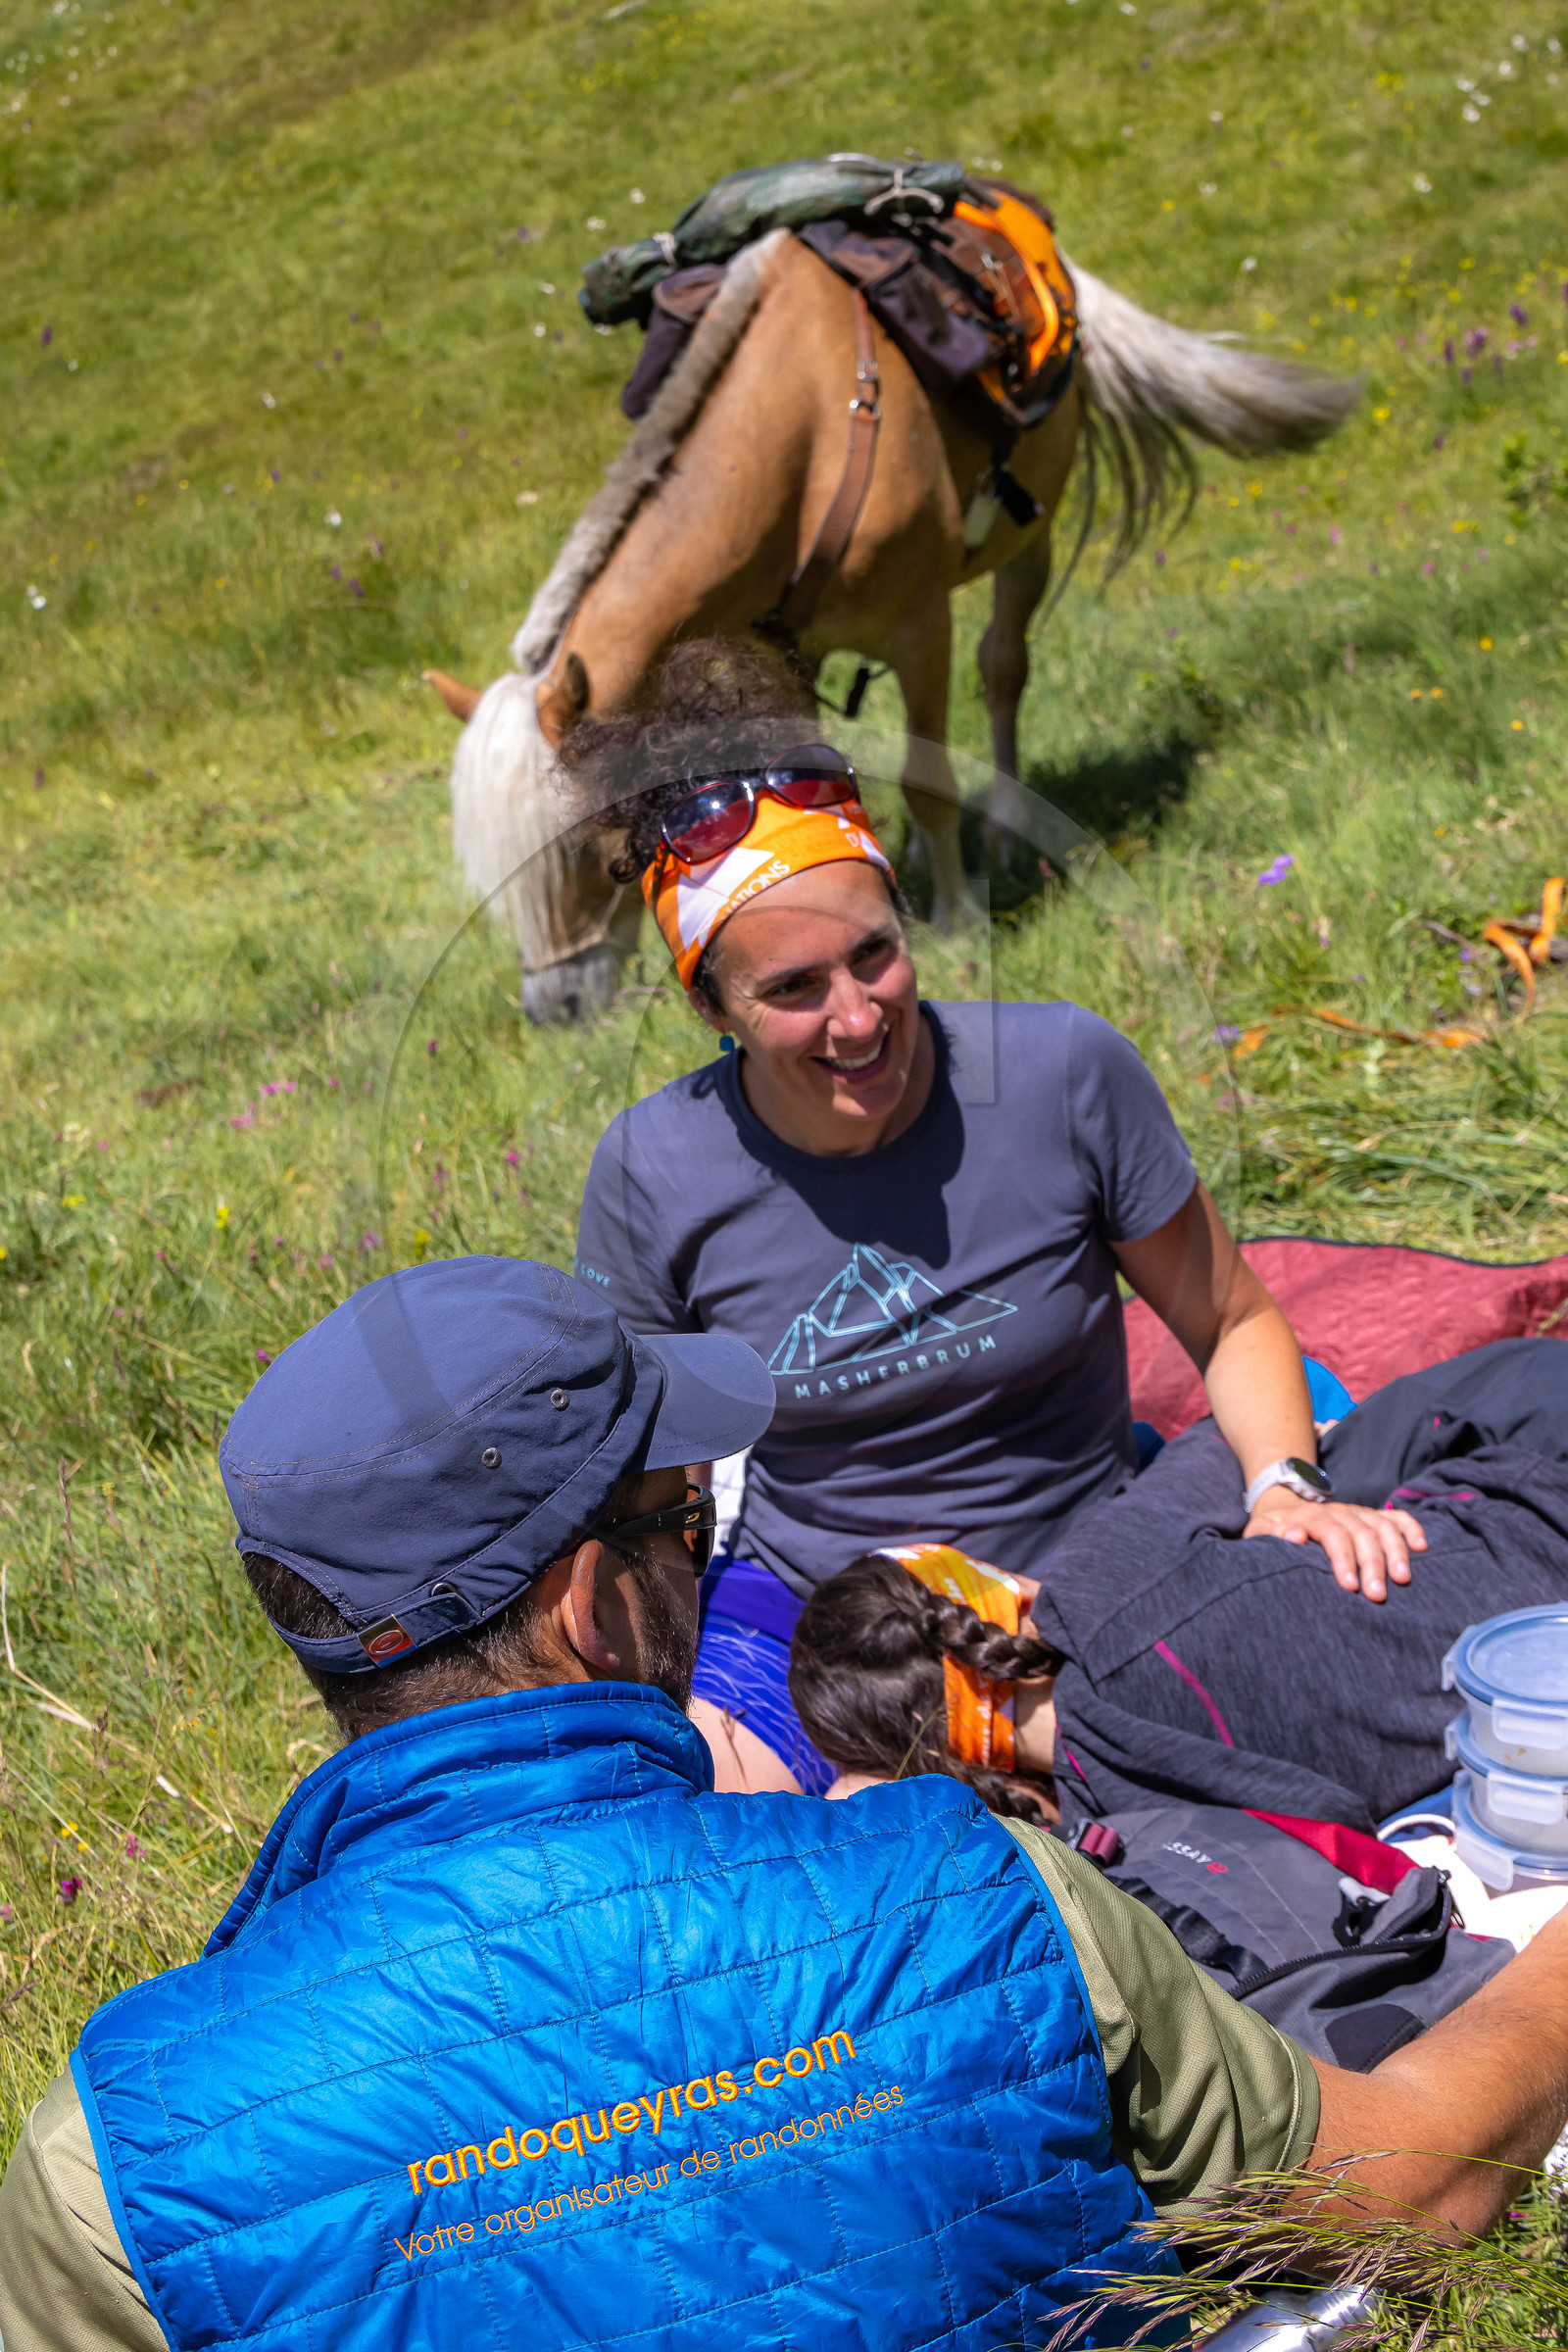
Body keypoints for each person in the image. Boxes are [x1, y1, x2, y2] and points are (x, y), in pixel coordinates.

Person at [6, 1256, 1566, 2352]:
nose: (708, 1553)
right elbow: (1404, 2186)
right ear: (591, 1612)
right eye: (689, 1524)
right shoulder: (971, 1894)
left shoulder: (111, 2160)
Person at [568, 641, 1422, 1792]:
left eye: (875, 955)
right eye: (792, 990)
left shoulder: (1061, 1071)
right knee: (750, 1852)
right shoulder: (654, 1168)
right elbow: (639, 1471)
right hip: (810, 1613)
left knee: (1198, 1769)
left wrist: (1282, 1489)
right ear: (707, 1003)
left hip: (1084, 1570)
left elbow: (1230, 1321)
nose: (857, 1017)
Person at [789, 1339, 1568, 1833]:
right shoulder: (1092, 1591)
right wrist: (1282, 1501)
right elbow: (1218, 1444)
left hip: (1518, 1731)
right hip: (1537, 1527)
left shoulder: (1108, 1826)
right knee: (1338, 1437)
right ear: (996, 1601)